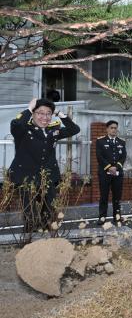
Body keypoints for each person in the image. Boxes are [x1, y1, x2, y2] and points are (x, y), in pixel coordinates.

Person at [9, 98, 80, 232]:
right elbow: (16, 125)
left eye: (48, 113)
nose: (45, 117)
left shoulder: (52, 131)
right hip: (27, 178)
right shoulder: (24, 130)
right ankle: (30, 240)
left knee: (48, 211)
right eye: (40, 113)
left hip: (48, 178)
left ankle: (45, 238)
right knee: (30, 213)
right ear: (33, 114)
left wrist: (58, 112)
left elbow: (74, 129)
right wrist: (29, 109)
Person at [95, 120, 126, 225]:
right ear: (107, 129)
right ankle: (102, 216)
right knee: (104, 196)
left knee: (117, 196)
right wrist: (109, 167)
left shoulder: (121, 142)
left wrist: (116, 167)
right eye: (111, 128)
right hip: (104, 173)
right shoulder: (100, 141)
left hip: (117, 174)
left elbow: (123, 157)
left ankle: (117, 216)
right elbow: (100, 157)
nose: (114, 130)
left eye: (115, 128)